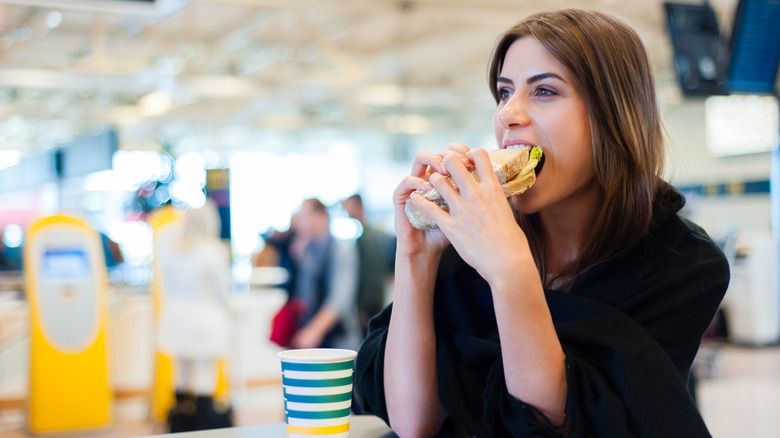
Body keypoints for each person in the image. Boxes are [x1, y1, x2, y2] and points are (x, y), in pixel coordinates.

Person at [354, 9, 729, 438]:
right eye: (504, 93)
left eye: (545, 91)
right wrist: (416, 256)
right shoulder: (466, 234)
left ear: (613, 115)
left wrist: (510, 271)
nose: (508, 114)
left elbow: (561, 424)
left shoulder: (683, 262)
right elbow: (413, 422)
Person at [156, 200, 233, 432]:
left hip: (176, 319)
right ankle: (204, 424)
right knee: (204, 373)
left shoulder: (171, 250)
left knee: (181, 372)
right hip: (206, 320)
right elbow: (223, 291)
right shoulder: (214, 251)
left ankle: (179, 423)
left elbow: (165, 287)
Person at [289, 198, 362, 351]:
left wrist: (314, 331)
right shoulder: (308, 251)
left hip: (339, 338)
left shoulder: (343, 249)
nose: (300, 223)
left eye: (305, 216)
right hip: (314, 338)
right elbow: (304, 296)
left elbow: (340, 300)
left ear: (321, 216)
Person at [342, 193, 390, 335]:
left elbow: (371, 274)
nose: (347, 211)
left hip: (370, 307)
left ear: (358, 206)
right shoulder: (366, 234)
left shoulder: (367, 237)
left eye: (349, 206)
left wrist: (364, 309)